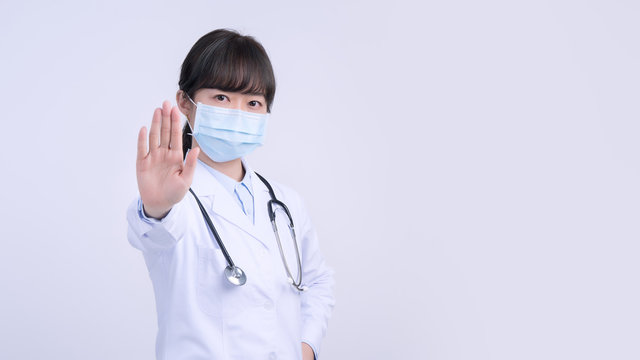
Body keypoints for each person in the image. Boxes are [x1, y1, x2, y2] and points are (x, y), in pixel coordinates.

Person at [126, 29, 335, 360]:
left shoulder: (285, 203)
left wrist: (306, 346)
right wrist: (157, 208)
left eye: (253, 102)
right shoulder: (175, 202)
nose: (238, 113)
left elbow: (317, 282)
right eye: (221, 98)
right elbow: (152, 235)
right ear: (186, 102)